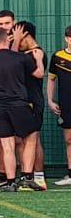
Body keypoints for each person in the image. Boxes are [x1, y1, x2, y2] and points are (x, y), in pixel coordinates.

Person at [0, 28, 46, 192]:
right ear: (7, 40)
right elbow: (39, 74)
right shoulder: (20, 58)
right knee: (31, 137)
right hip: (19, 105)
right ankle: (26, 177)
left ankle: (10, 182)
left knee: (7, 146)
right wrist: (38, 59)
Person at [15, 21, 48, 190]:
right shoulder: (24, 54)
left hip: (33, 102)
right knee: (23, 140)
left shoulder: (36, 54)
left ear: (26, 35)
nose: (16, 41)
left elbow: (40, 74)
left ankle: (39, 177)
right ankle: (26, 176)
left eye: (18, 38)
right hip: (21, 103)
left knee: (33, 140)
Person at [48, 26, 71, 187]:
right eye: (70, 37)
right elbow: (51, 79)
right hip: (66, 105)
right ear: (66, 38)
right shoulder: (57, 57)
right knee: (69, 139)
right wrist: (50, 100)